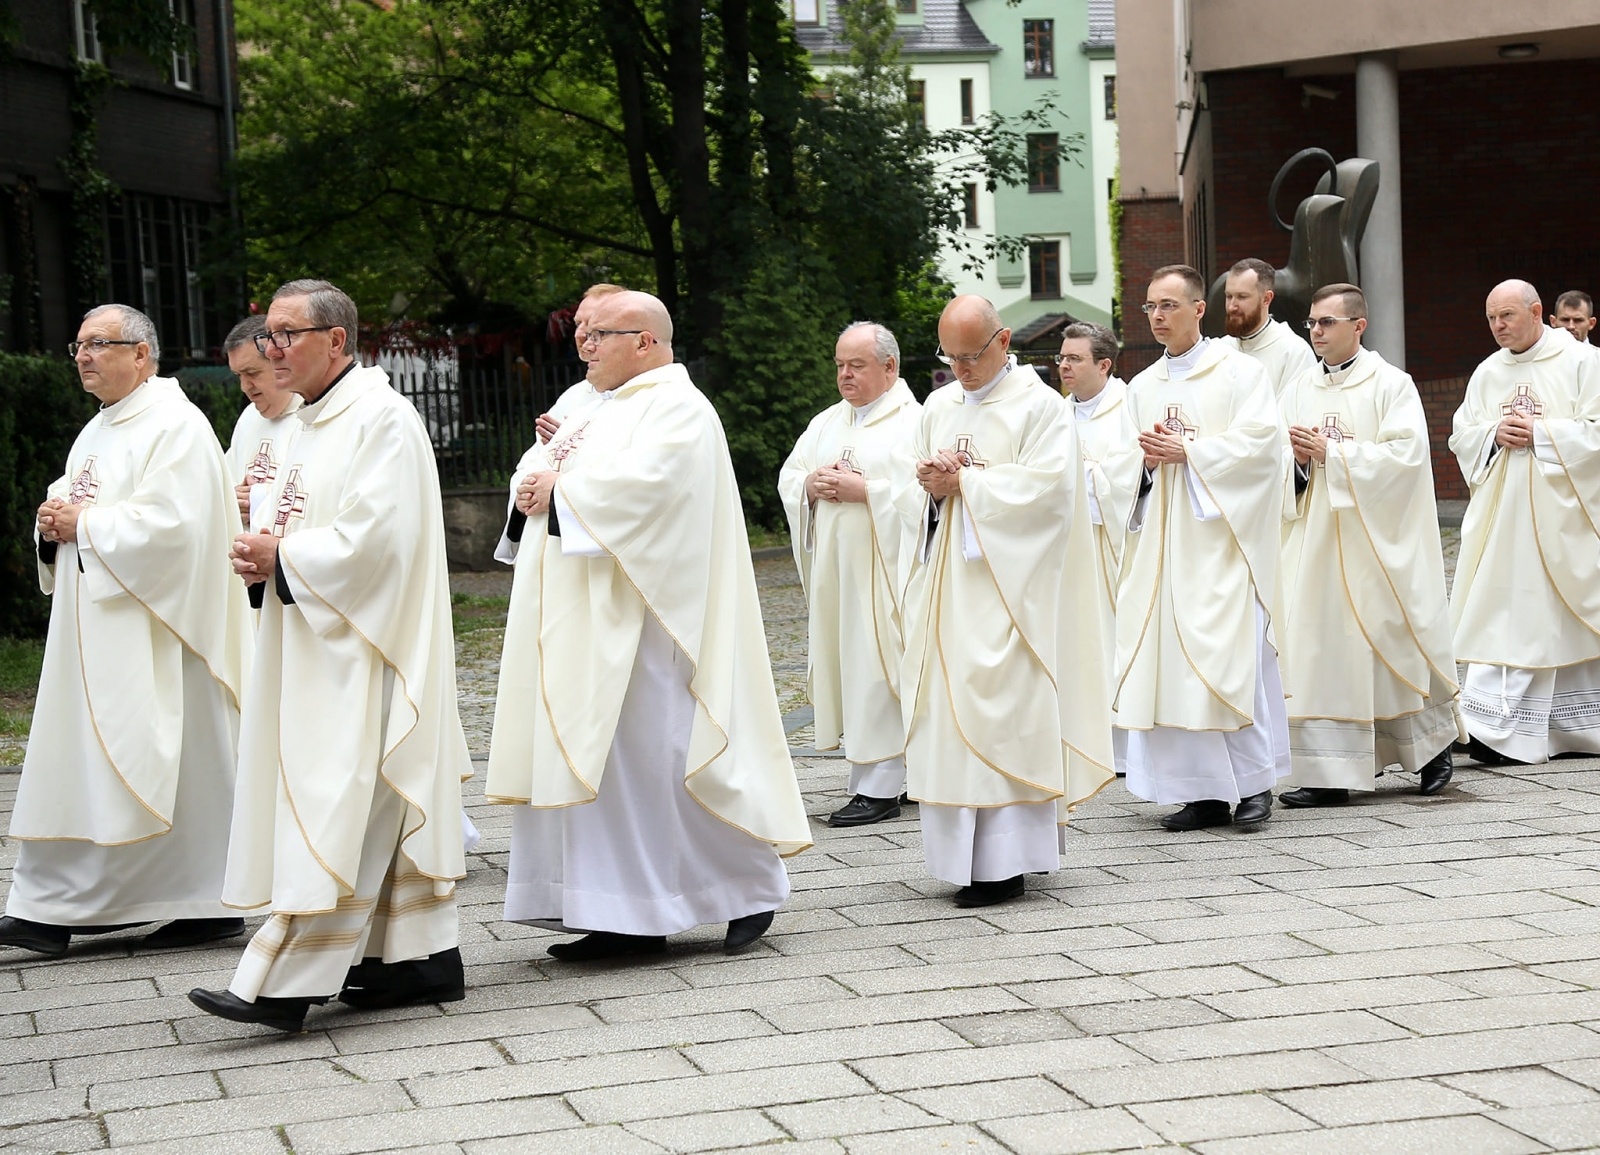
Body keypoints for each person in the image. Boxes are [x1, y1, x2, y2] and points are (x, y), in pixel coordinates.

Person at [486, 290, 810, 961]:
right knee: (601, 763)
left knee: (660, 759)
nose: (584, 343)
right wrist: (532, 485)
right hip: (577, 615)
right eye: (581, 332)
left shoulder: (679, 407)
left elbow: (654, 491)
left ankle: (745, 888)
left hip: (646, 618)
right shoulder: (583, 403)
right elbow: (538, 467)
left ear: (645, 341)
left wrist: (563, 492)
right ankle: (619, 914)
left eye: (599, 333)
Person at [189, 279, 470, 1033]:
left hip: (367, 646)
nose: (272, 349)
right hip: (316, 639)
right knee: (364, 797)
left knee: (340, 801)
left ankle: (282, 982)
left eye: (287, 334)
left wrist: (283, 556)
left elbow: (380, 541)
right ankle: (415, 961)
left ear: (336, 340)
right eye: (269, 335)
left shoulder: (382, 418)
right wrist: (261, 550)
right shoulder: (304, 424)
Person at [0, 304, 249, 958]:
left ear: (141, 354)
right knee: (79, 759)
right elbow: (77, 503)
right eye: (79, 346)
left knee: (156, 759)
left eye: (99, 344)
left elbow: (178, 529)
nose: (83, 356)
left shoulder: (176, 426)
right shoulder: (100, 426)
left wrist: (83, 524)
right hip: (93, 629)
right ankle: (51, 903)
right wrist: (52, 522)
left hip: (158, 632)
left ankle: (198, 900)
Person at [897, 295, 1113, 908]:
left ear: (1003, 340)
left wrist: (966, 480)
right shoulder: (938, 406)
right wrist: (930, 485)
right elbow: (906, 490)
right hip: (947, 593)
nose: (960, 369)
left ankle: (1005, 863)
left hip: (1011, 596)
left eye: (971, 355)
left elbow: (1050, 497)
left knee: (1004, 717)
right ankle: (958, 861)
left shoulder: (1041, 408)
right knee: (948, 717)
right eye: (950, 356)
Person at [1116, 265, 1292, 831]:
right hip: (1164, 554)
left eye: (1169, 305)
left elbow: (1263, 449)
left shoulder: (1240, 373)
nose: (1158, 316)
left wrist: (1190, 452)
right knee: (1175, 671)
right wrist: (1144, 465)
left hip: (1225, 546)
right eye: (1150, 307)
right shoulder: (1141, 387)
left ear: (1199, 309)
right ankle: (1202, 793)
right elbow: (1121, 467)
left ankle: (1255, 784)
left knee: (1233, 660)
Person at [1278, 283, 1461, 805]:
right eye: (1312, 322)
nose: (1316, 331)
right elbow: (1274, 459)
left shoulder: (1391, 384)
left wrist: (1333, 454)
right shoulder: (1296, 388)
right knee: (1321, 652)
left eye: (1327, 322)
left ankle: (1430, 748)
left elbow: (1406, 460)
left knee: (1390, 640)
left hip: (1373, 543)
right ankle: (1329, 773)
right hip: (1314, 544)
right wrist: (1297, 461)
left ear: (1358, 326)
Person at [1449, 279, 1600, 764]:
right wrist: (1493, 433)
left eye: (1507, 316)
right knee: (1506, 615)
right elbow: (1462, 434)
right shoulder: (1488, 371)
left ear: (1537, 313)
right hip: (1504, 520)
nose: (1498, 326)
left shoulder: (1583, 362)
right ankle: (1495, 729)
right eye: (1491, 318)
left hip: (1565, 519)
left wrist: (1543, 434)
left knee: (1553, 620)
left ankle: (1573, 727)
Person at [778, 322, 920, 826]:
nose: (845, 375)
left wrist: (869, 493)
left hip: (886, 576)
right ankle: (893, 776)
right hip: (837, 575)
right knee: (853, 670)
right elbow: (791, 474)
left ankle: (878, 788)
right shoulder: (826, 422)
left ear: (890, 367)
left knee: (879, 670)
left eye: (856, 365)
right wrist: (809, 485)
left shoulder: (915, 422)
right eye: (840, 365)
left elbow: (925, 497)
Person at [1056, 321, 1141, 635]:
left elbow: (1133, 475)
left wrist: (1075, 476)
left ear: (1104, 365)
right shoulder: (1055, 414)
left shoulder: (1131, 407)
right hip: (1064, 545)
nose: (1064, 365)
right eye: (1062, 358)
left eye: (1075, 359)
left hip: (1111, 547)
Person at [222, 314, 302, 528]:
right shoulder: (249, 417)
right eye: (238, 376)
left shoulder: (312, 417)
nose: (244, 387)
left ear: (279, 361)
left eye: (252, 373)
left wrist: (259, 501)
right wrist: (233, 501)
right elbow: (224, 485)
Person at [535, 282, 625, 444]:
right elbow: (535, 457)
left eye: (592, 324)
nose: (579, 334)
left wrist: (574, 447)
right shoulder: (573, 396)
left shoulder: (661, 394)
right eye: (578, 324)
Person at [1221, 258, 1317, 398]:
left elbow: (1296, 408)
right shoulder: (1220, 349)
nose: (1231, 307)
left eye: (1242, 297)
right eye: (1229, 296)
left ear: (1266, 299)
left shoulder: (1295, 353)